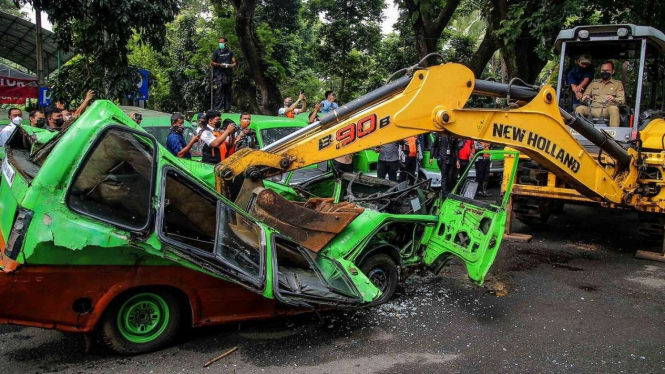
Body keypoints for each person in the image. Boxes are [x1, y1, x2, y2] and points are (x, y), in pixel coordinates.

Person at [574, 61, 625, 127]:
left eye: (607, 70)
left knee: (614, 109)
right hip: (593, 109)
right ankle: (579, 132)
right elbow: (583, 98)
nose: (605, 72)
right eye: (603, 70)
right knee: (579, 109)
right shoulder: (594, 83)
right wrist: (585, 97)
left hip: (607, 110)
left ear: (612, 71)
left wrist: (614, 99)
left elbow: (622, 100)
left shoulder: (617, 84)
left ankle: (613, 133)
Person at [211, 36, 237, 113]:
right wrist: (219, 64)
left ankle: (227, 108)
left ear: (226, 43)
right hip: (219, 73)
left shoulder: (230, 52)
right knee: (219, 91)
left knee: (228, 91)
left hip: (228, 73)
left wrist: (229, 65)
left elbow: (234, 63)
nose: (220, 43)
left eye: (222, 42)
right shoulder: (216, 52)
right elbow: (212, 62)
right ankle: (217, 109)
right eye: (219, 42)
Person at [430, 130, 458, 196]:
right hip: (442, 159)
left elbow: (456, 148)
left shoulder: (452, 136)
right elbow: (433, 146)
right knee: (444, 177)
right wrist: (431, 157)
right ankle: (445, 193)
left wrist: (457, 160)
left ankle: (449, 191)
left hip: (451, 159)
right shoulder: (439, 135)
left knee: (450, 177)